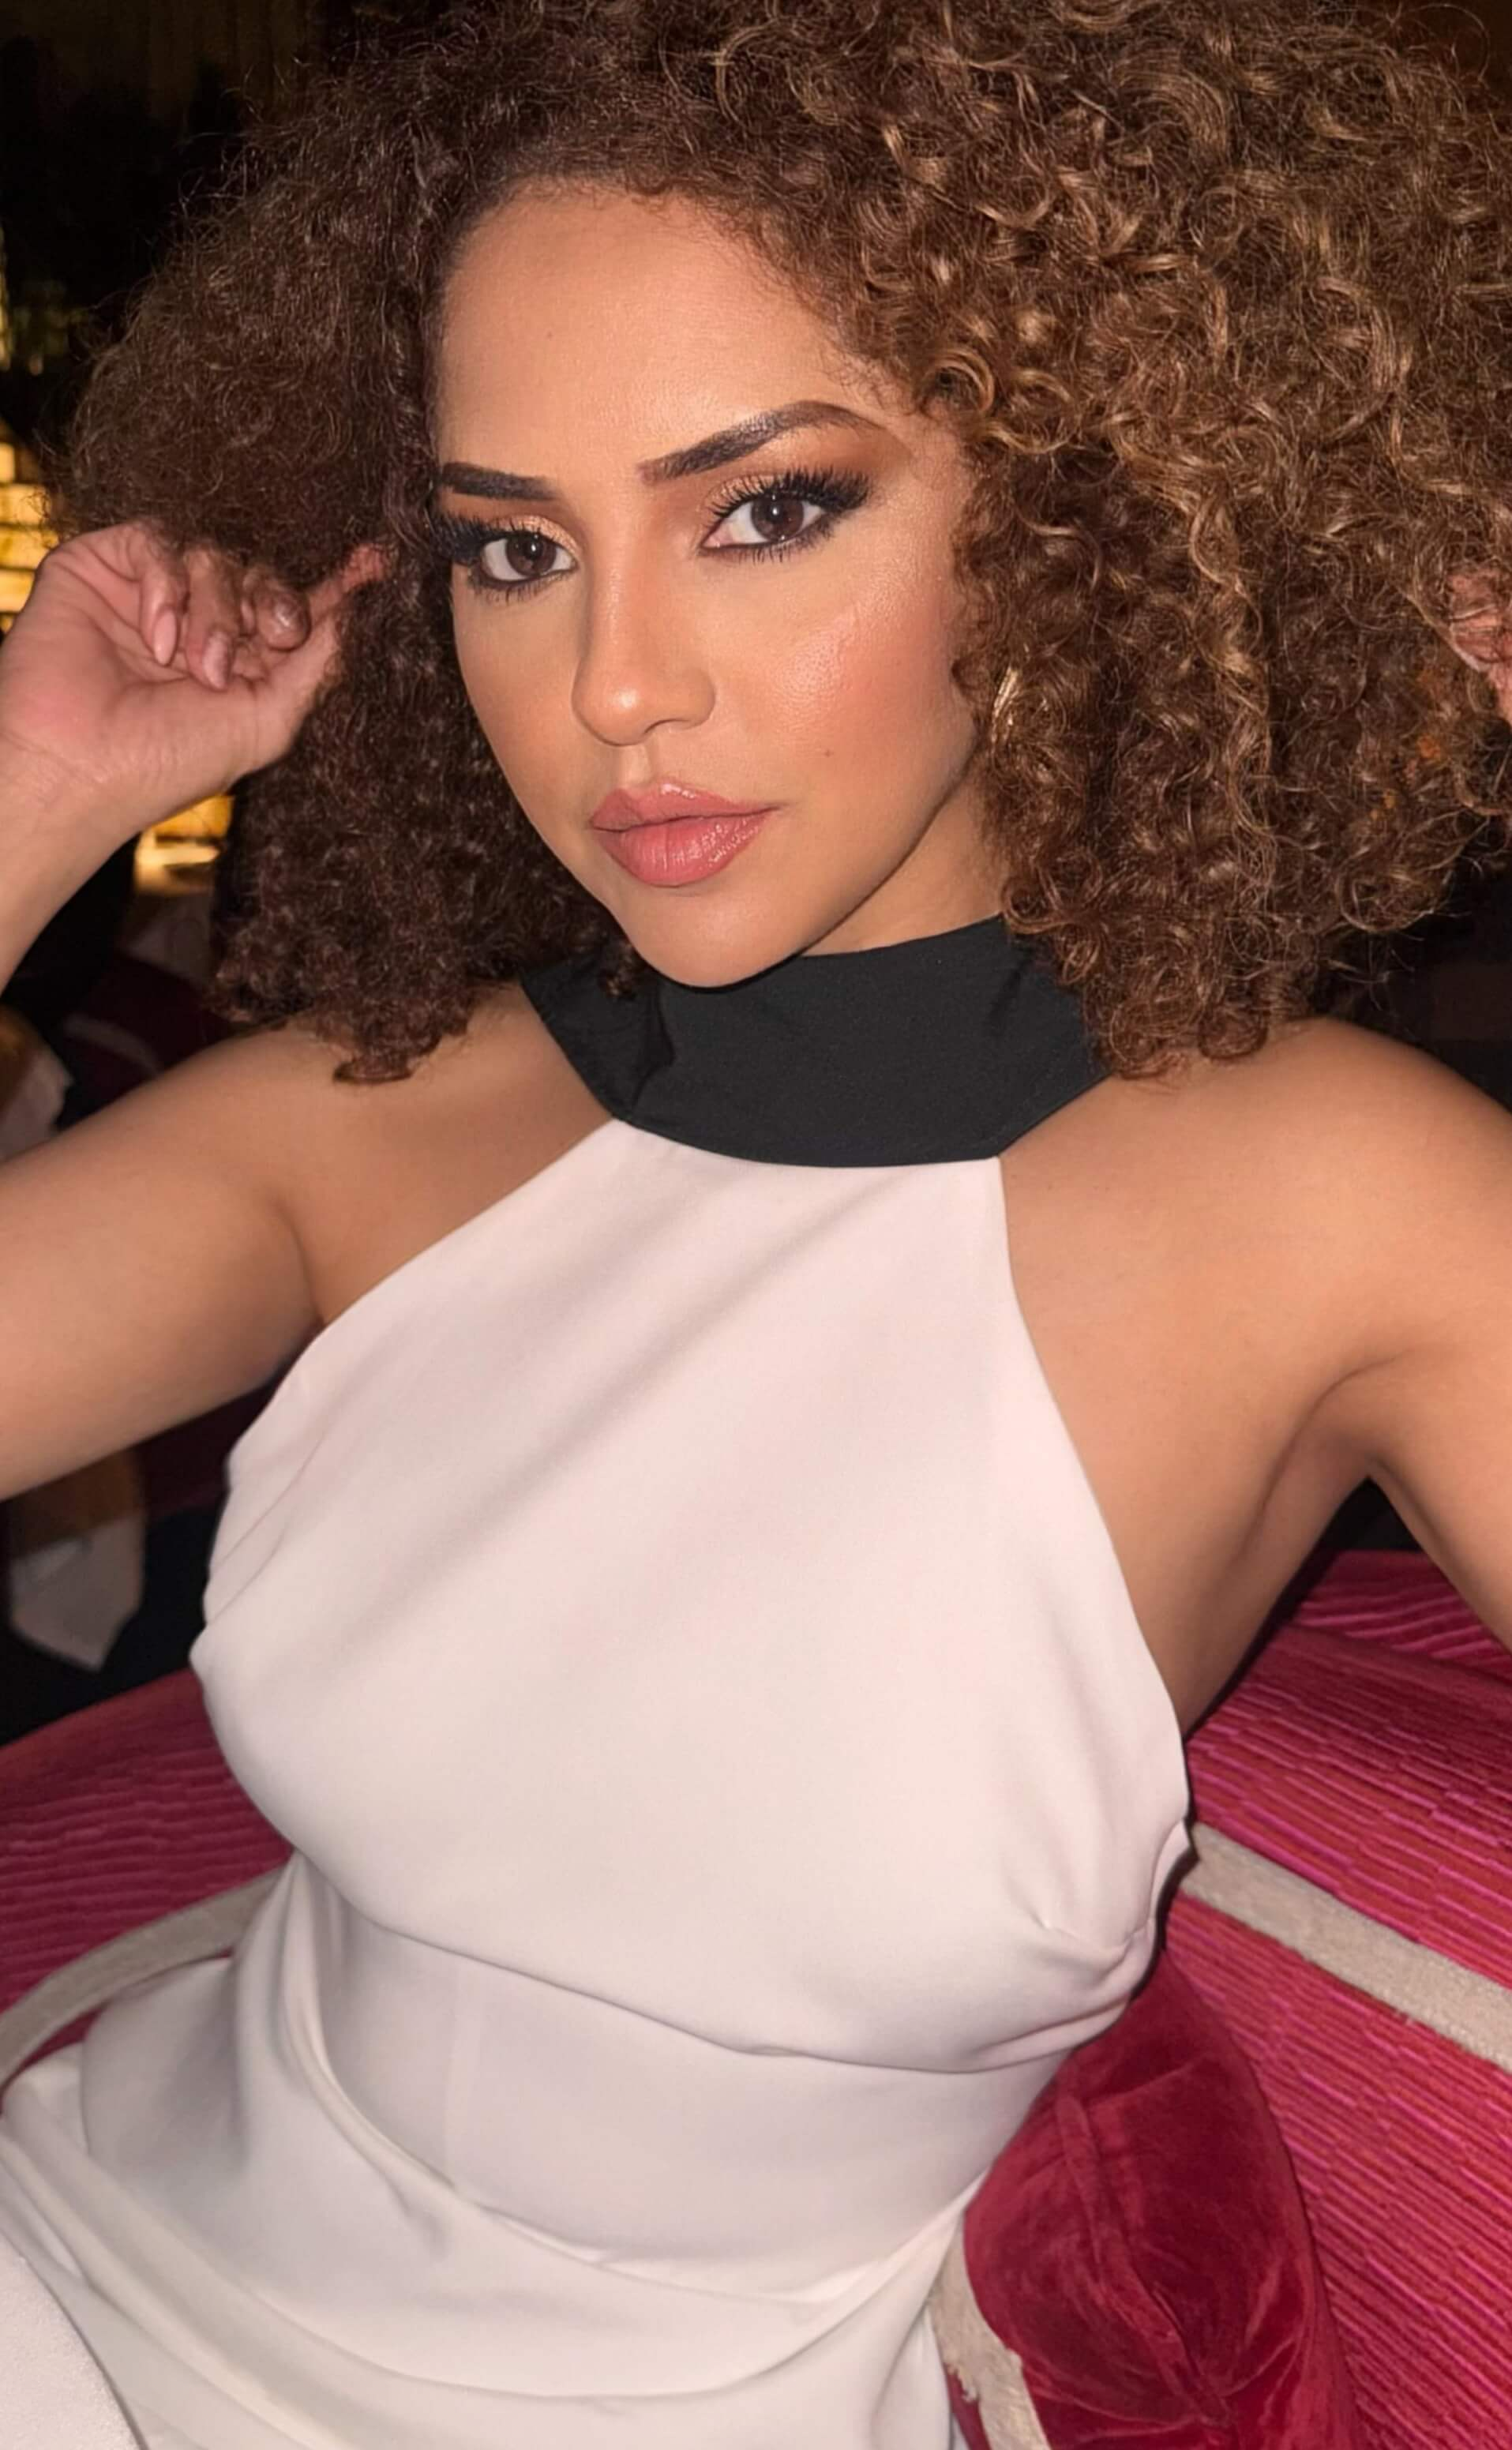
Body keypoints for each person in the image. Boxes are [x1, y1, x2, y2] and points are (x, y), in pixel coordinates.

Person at [2, 0, 1512, 2441]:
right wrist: (36, 793)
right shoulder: (372, 1129)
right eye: (516, 547)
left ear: (1074, 502)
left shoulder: (1340, 1207)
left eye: (767, 508)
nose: (614, 684)